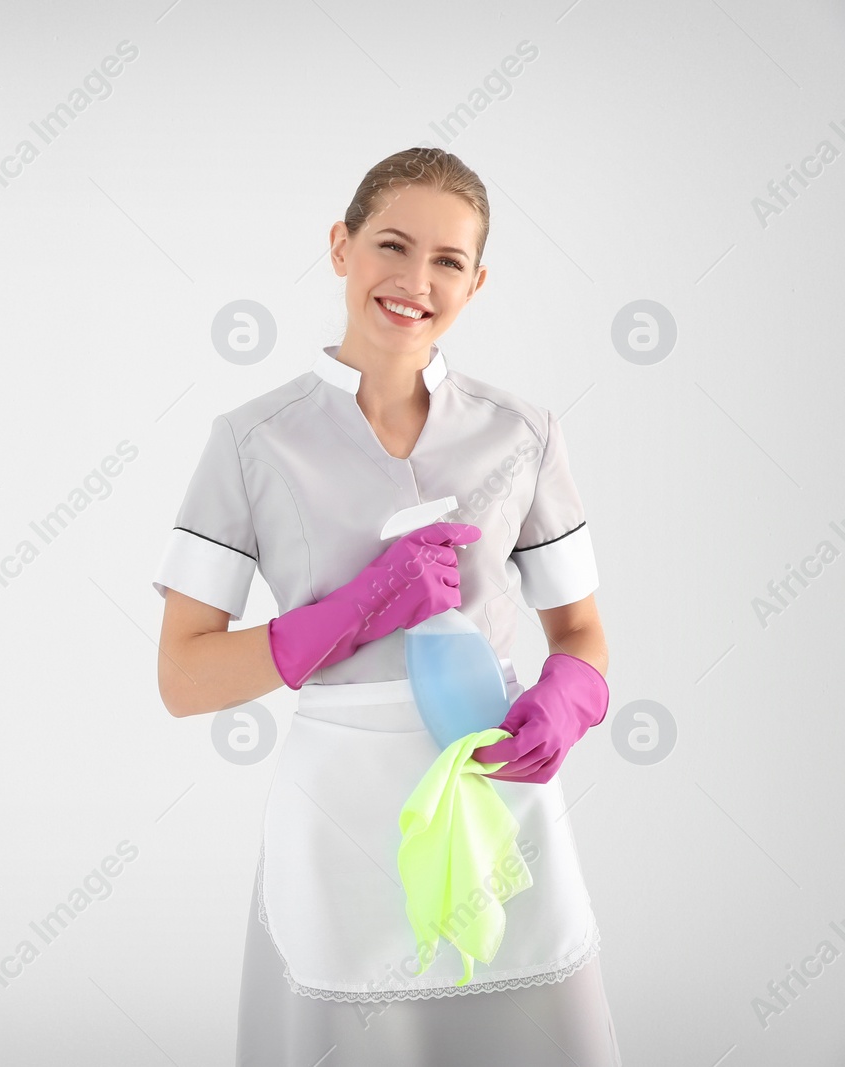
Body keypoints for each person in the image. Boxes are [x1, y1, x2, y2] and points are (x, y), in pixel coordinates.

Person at [152, 147, 623, 1066]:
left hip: (494, 796)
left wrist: (567, 702)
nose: (415, 281)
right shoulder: (253, 441)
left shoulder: (521, 433)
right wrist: (354, 611)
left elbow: (582, 633)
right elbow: (183, 675)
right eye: (391, 246)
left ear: (476, 282)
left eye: (448, 261)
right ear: (341, 246)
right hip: (341, 810)